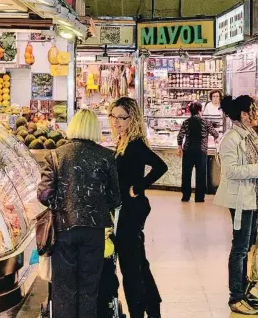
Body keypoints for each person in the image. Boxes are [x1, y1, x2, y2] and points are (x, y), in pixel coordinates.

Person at [37, 109, 121, 318]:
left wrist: (60, 200)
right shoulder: (107, 156)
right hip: (95, 232)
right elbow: (116, 198)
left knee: (63, 289)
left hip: (63, 230)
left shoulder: (55, 155)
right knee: (89, 289)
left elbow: (44, 194)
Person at [213, 95, 258, 316]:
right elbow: (230, 171)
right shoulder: (231, 139)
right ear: (243, 114)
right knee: (239, 248)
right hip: (240, 199)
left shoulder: (249, 135)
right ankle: (236, 296)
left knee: (246, 244)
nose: (257, 114)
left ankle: (244, 289)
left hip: (251, 196)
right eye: (253, 110)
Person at [109, 97, 168, 318]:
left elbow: (160, 166)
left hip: (131, 210)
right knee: (138, 262)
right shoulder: (123, 140)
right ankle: (152, 308)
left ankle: (138, 311)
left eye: (122, 118)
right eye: (113, 117)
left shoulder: (134, 144)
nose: (116, 122)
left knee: (130, 266)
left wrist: (138, 187)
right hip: (128, 208)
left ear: (132, 119)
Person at [177, 101, 220, 202]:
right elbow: (216, 134)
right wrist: (214, 139)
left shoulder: (186, 122)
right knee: (201, 174)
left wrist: (179, 147)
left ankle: (185, 196)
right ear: (200, 110)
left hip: (188, 150)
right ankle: (199, 197)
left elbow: (180, 136)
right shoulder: (205, 122)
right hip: (201, 150)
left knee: (186, 174)